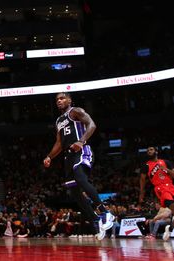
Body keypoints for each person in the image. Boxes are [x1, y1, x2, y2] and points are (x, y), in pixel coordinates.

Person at [43, 92, 114, 240]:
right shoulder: (58, 121)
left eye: (62, 98)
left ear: (69, 100)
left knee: (81, 179)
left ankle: (105, 212)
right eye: (57, 99)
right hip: (68, 155)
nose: (59, 101)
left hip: (81, 150)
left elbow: (92, 124)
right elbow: (59, 143)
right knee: (74, 192)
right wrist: (50, 156)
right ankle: (96, 220)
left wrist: (81, 141)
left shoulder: (76, 111)